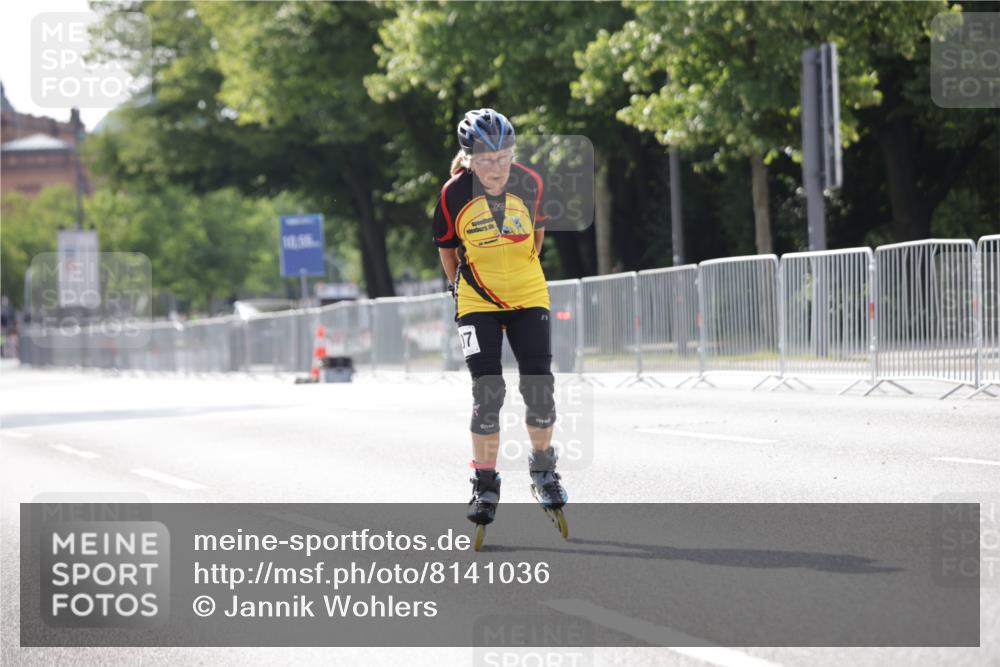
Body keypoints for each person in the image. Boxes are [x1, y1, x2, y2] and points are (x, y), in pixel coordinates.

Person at [432, 108, 568, 529]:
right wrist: (463, 288)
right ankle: (485, 482)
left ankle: (543, 469)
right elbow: (448, 251)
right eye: (487, 160)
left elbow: (535, 242)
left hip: (527, 294)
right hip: (477, 299)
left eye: (504, 158)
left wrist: (514, 277)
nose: (497, 168)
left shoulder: (530, 184)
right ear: (469, 159)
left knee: (539, 388)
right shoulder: (453, 194)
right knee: (488, 393)